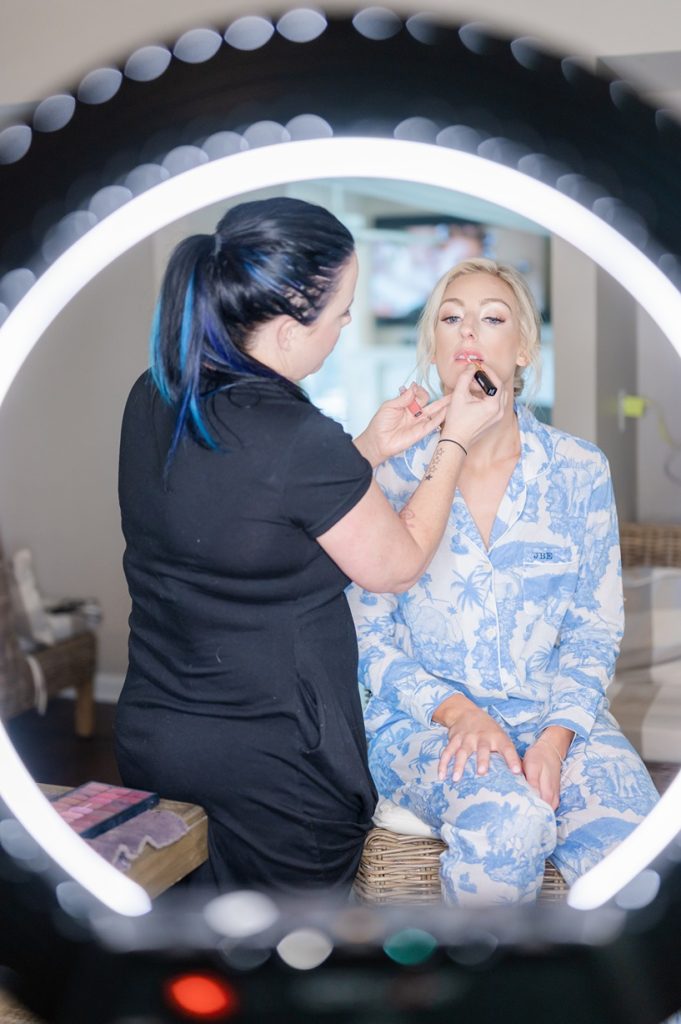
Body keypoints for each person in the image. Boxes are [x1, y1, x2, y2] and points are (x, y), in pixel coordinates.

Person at [114, 198, 505, 895]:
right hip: (273, 765)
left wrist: (363, 452)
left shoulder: (157, 395)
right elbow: (394, 563)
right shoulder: (298, 439)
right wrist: (453, 441)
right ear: (292, 327)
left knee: (192, 958)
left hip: (160, 736)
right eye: (342, 311)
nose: (348, 323)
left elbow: (247, 518)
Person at [348, 257, 660, 905]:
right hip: (424, 723)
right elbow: (367, 639)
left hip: (555, 714)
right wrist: (461, 714)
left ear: (521, 349)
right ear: (432, 347)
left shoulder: (578, 469)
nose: (467, 333)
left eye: (491, 318)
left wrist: (554, 739)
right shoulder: (387, 471)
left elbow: (593, 626)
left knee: (636, 848)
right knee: (511, 825)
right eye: (450, 318)